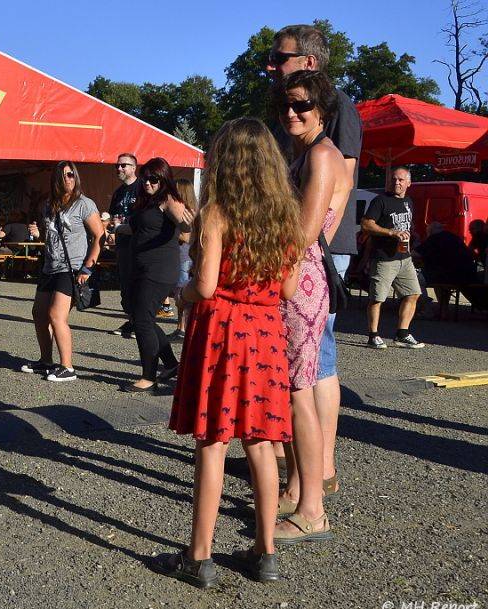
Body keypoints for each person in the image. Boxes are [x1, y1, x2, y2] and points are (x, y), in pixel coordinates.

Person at [153, 118, 304, 587]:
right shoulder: (287, 216)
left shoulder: (217, 213)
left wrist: (181, 296)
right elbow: (290, 287)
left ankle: (199, 557)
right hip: (265, 331)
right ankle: (265, 552)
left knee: (213, 442)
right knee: (261, 442)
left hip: (222, 329)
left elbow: (206, 284)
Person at [267, 23, 363, 494]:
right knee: (303, 371)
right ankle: (306, 472)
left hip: (316, 257)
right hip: (303, 256)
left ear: (308, 60)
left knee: (312, 370)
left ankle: (316, 473)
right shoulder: (298, 123)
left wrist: (312, 250)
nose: (272, 64)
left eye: (280, 57)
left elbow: (339, 182)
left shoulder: (334, 110)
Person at [273, 70, 352, 543]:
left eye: (301, 105)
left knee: (299, 392)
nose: (291, 113)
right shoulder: (306, 153)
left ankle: (312, 511)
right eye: (286, 105)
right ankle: (299, 489)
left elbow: (303, 236)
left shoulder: (322, 156)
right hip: (295, 279)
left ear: (321, 108)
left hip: (299, 282)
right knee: (294, 390)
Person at [115, 157, 193, 394]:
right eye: (145, 178)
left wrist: (187, 221)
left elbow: (187, 226)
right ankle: (170, 364)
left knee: (142, 320)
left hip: (160, 270)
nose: (148, 183)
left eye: (154, 179)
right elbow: (139, 227)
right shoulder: (145, 201)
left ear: (164, 179)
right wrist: (117, 229)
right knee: (144, 319)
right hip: (141, 268)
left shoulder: (168, 199)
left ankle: (149, 376)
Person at [22, 161, 103, 382]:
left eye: (71, 174)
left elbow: (99, 235)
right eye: (64, 175)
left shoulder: (84, 204)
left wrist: (88, 266)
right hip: (50, 266)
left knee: (56, 316)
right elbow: (50, 238)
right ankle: (46, 361)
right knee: (38, 314)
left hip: (72, 267)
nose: (68, 179)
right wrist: (38, 233)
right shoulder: (49, 204)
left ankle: (67, 367)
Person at [361, 167, 425, 349]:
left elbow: (407, 225)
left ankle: (402, 334)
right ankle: (373, 335)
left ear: (409, 183)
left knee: (413, 294)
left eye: (401, 180)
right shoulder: (380, 201)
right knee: (377, 298)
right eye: (394, 179)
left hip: (404, 258)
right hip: (384, 258)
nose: (396, 183)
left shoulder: (408, 202)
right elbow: (366, 224)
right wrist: (390, 232)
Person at [108, 153, 138, 338]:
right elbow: (113, 217)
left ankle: (139, 323)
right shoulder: (119, 192)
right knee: (125, 286)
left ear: (134, 167)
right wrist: (112, 229)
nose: (119, 169)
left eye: (123, 165)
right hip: (122, 245)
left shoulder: (143, 188)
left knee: (137, 285)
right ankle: (132, 321)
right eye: (117, 166)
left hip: (139, 245)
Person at [169, 179, 197, 343]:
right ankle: (180, 327)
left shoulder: (189, 212)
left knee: (183, 293)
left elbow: (187, 237)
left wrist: (168, 231)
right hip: (181, 256)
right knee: (178, 292)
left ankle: (183, 328)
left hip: (185, 256)